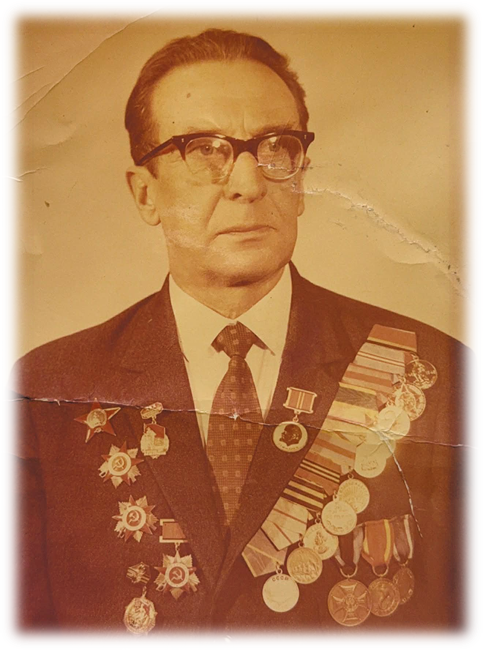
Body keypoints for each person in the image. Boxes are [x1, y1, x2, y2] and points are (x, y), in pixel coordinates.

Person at [3, 29, 479, 648]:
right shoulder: (50, 388)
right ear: (145, 193)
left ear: (303, 179)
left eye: (278, 148)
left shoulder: (433, 372)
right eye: (205, 150)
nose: (250, 184)